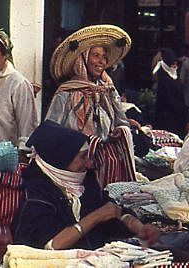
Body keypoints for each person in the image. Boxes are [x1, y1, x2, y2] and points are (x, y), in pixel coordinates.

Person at [11, 120, 159, 250]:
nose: (89, 163)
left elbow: (112, 211)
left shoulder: (86, 182)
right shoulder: (37, 194)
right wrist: (96, 217)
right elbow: (52, 244)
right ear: (60, 160)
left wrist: (139, 228)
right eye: (83, 157)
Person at [45, 24, 136, 187]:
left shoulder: (108, 90)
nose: (101, 61)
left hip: (103, 167)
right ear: (83, 58)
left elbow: (121, 122)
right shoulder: (66, 92)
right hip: (73, 167)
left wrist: (119, 131)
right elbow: (51, 130)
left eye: (104, 57)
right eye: (96, 55)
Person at [153, 48, 187, 139]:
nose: (175, 66)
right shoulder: (169, 79)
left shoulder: (165, 79)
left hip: (169, 119)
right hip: (172, 118)